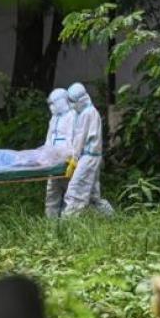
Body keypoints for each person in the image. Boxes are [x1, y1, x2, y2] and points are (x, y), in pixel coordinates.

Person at [62, 82, 114, 217]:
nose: (71, 105)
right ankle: (111, 218)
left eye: (72, 101)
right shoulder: (88, 111)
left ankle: (67, 224)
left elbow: (80, 138)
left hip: (88, 157)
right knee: (93, 195)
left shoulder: (87, 114)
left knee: (75, 191)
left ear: (80, 100)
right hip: (92, 156)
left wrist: (74, 158)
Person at [44, 88, 76, 218]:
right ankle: (50, 221)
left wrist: (72, 157)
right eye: (50, 104)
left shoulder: (73, 116)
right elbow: (49, 139)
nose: (51, 106)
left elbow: (74, 140)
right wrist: (45, 155)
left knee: (70, 193)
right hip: (53, 161)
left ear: (62, 102)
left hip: (67, 161)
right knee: (52, 192)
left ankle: (66, 223)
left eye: (54, 103)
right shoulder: (54, 118)